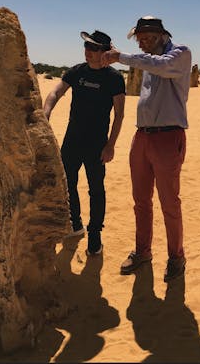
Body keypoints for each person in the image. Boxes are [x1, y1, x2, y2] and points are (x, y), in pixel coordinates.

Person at [101, 16, 191, 282]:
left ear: (160, 35)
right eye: (138, 40)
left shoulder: (179, 54)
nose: (141, 44)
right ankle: (143, 252)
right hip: (142, 138)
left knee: (169, 203)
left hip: (168, 137)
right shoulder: (149, 61)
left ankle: (176, 257)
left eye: (144, 39)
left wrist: (121, 57)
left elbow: (160, 65)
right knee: (141, 201)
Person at [44, 30, 126, 256]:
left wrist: (110, 145)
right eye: (87, 47)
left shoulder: (114, 78)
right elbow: (56, 92)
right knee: (68, 183)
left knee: (96, 189)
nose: (88, 52)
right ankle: (75, 223)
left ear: (105, 52)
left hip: (97, 144)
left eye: (94, 48)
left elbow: (119, 114)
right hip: (72, 140)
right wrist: (46, 112)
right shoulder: (77, 72)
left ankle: (95, 235)